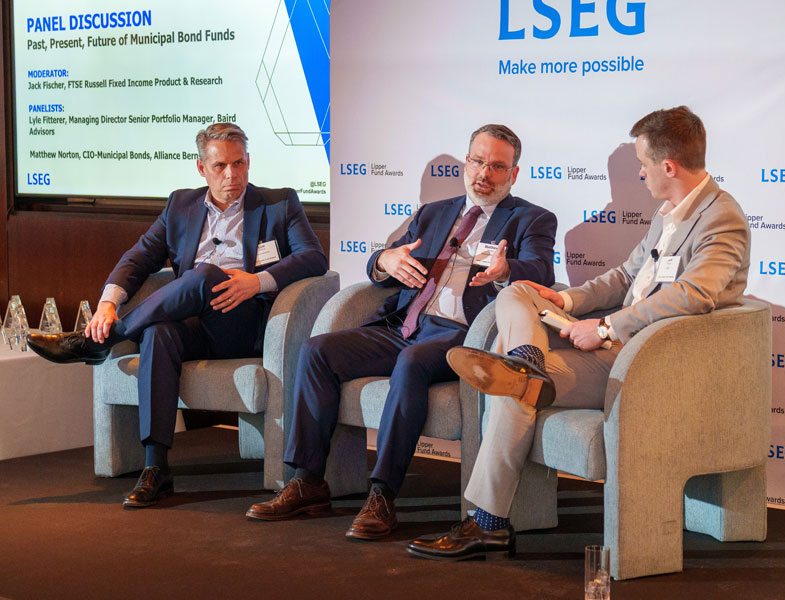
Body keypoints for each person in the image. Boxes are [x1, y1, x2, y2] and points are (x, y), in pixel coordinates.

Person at [408, 106, 751, 561]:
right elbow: (625, 277)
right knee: (517, 292)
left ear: (668, 167)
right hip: (616, 345)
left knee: (513, 388)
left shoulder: (721, 217)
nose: (640, 173)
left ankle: (488, 522)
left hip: (649, 359)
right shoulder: (668, 212)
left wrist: (608, 325)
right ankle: (527, 360)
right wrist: (565, 301)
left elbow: (694, 294)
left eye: (643, 164)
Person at [245, 124, 558, 542]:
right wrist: (385, 260)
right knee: (318, 350)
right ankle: (308, 481)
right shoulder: (434, 212)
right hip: (404, 325)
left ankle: (382, 494)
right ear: (466, 163)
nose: (485, 173)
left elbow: (541, 272)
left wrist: (506, 271)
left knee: (411, 362)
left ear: (514, 174)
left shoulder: (531, 219)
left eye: (497, 167)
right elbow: (383, 262)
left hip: (461, 334)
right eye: (478, 161)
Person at [27, 123, 328, 508]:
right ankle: (156, 468)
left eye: (238, 163)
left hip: (246, 324)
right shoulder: (180, 206)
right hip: (194, 326)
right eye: (220, 166)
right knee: (158, 334)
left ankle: (104, 339)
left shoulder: (279, 203)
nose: (231, 174)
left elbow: (313, 258)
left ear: (249, 162)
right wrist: (107, 303)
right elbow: (138, 259)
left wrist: (257, 282)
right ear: (201, 168)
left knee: (205, 275)